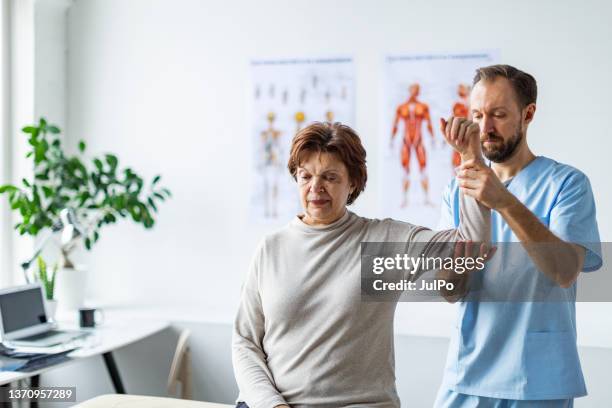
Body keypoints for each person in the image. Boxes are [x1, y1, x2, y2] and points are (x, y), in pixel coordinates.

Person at [233, 120, 490, 408]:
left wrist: (471, 159)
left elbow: (470, 243)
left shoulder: (383, 242)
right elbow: (245, 342)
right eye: (306, 176)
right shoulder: (271, 249)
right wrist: (272, 405)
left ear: (353, 182)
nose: (315, 188)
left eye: (330, 177)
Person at [434, 65, 603, 407]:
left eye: (498, 114)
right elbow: (449, 289)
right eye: (478, 115)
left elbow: (565, 270)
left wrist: (504, 201)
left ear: (528, 114)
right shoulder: (457, 189)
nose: (485, 128)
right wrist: (470, 163)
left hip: (537, 381)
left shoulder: (567, 184)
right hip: (467, 375)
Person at [391, 83, 435, 207]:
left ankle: (426, 198)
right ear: (409, 90)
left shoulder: (423, 107)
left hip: (418, 141)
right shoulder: (402, 107)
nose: (415, 92)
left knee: (423, 168)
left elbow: (429, 123)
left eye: (417, 90)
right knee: (405, 170)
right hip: (406, 141)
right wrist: (392, 139)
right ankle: (404, 199)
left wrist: (432, 138)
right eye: (414, 89)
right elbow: (395, 124)